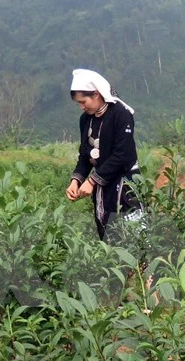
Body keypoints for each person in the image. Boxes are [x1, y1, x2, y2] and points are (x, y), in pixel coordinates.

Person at [66, 69, 141, 240]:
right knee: (107, 231)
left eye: (83, 101)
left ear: (96, 94)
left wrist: (92, 181)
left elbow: (122, 154)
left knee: (133, 234)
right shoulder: (85, 119)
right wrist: (76, 180)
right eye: (78, 103)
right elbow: (85, 155)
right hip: (103, 183)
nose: (81, 106)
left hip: (125, 183)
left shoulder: (121, 114)